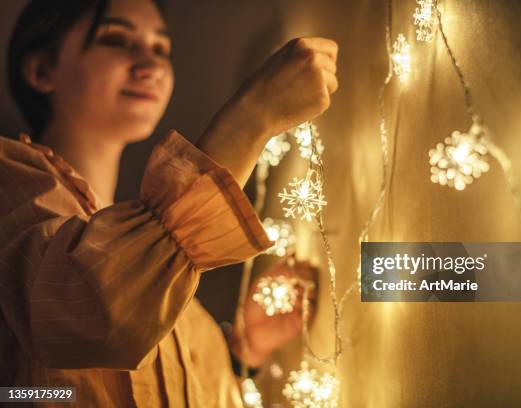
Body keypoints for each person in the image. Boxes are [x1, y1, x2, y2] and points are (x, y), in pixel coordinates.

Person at [0, 0, 338, 406]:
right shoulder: (9, 183)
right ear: (41, 70)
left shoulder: (163, 279)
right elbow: (81, 315)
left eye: (161, 49)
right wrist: (252, 116)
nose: (151, 65)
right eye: (117, 39)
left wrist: (241, 353)